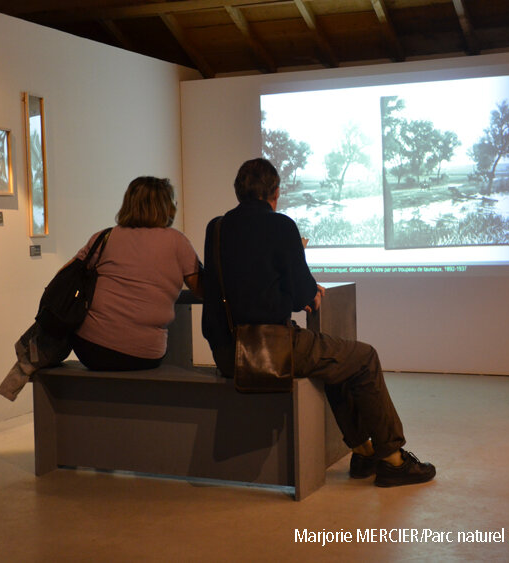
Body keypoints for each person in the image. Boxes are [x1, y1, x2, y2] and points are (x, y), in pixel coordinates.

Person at [201, 158, 435, 488]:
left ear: (238, 191)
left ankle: (363, 450)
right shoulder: (281, 225)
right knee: (363, 358)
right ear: (276, 193)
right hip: (271, 352)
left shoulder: (217, 227)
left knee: (338, 361)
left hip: (226, 354)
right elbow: (302, 296)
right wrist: (311, 289)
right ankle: (393, 460)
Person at [71, 176, 202, 371]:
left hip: (89, 348)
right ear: (167, 207)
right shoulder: (177, 241)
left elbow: (68, 274)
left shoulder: (104, 237)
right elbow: (201, 290)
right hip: (144, 353)